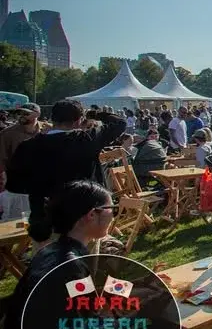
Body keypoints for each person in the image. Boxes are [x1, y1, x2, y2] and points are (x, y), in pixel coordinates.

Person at [0, 180, 177, 329]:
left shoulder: (53, 253)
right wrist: (147, 302)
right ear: (91, 215)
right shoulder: (70, 266)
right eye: (111, 209)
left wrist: (143, 284)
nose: (114, 215)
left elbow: (90, 297)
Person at [6, 101, 126, 241]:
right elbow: (120, 124)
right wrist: (95, 114)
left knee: (47, 261)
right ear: (78, 121)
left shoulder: (28, 146)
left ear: (52, 119)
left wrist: (40, 189)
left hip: (46, 218)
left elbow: (13, 184)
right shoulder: (87, 140)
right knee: (85, 260)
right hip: (84, 219)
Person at [0, 103, 42, 221]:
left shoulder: (47, 131)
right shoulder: (7, 134)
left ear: (37, 114)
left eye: (26, 113)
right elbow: (1, 158)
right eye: (20, 113)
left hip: (40, 187)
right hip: (16, 187)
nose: (21, 116)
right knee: (13, 222)